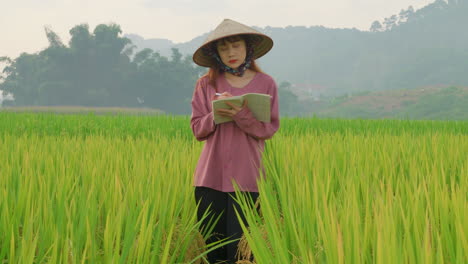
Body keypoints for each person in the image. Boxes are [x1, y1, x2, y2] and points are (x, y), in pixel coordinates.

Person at [190, 18, 280, 264]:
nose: (231, 52)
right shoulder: (205, 84)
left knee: (242, 253)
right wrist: (217, 115)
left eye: (236, 45)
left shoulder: (266, 83)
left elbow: (268, 129)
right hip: (210, 179)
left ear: (248, 48)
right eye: (224, 48)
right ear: (216, 53)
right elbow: (197, 129)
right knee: (214, 250)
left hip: (248, 179)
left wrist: (240, 115)